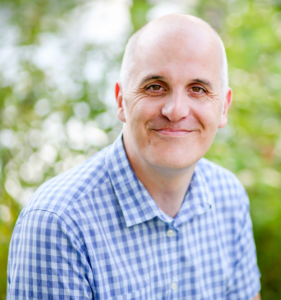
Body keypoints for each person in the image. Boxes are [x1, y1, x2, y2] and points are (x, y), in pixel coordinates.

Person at [7, 14, 261, 300]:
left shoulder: (229, 197)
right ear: (121, 101)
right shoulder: (59, 224)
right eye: (155, 86)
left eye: (198, 89)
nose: (175, 110)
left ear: (223, 108)